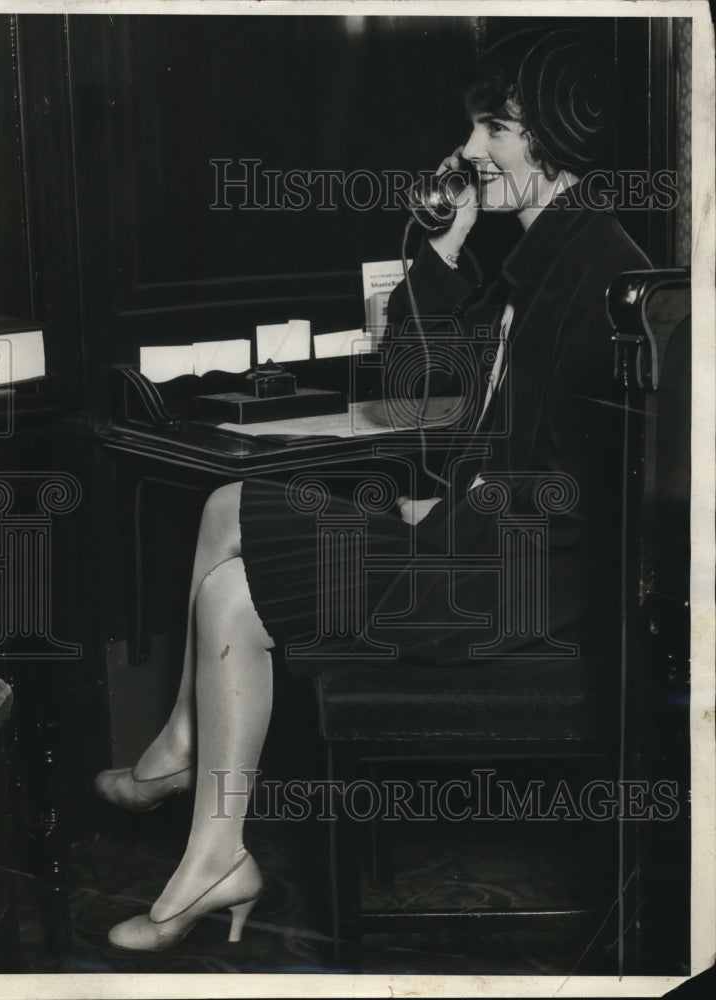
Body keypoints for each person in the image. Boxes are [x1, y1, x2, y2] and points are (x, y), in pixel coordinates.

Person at [95, 28, 651, 951]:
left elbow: (582, 497)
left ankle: (203, 824)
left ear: (556, 135)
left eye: (494, 129)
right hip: (480, 546)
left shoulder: (602, 275)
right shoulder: (546, 251)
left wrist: (452, 508)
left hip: (514, 583)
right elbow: (412, 381)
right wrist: (449, 243)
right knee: (227, 511)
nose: (472, 153)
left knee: (235, 586)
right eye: (475, 128)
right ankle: (196, 793)